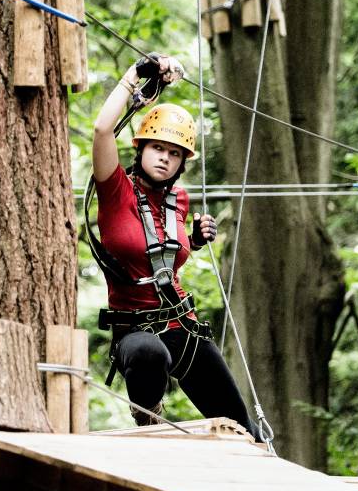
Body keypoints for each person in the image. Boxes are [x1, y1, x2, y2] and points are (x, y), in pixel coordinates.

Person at [89, 54, 260, 438]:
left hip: (182, 326)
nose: (165, 158)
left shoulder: (177, 201)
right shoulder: (115, 190)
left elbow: (164, 253)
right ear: (141, 148)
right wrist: (136, 74)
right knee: (151, 355)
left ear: (183, 162)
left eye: (175, 153)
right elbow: (102, 129)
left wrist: (194, 239)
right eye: (158, 149)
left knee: (244, 430)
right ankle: (148, 415)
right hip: (135, 333)